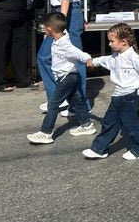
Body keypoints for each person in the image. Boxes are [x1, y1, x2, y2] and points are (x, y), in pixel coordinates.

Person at [83, 23, 139, 161]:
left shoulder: (133, 56)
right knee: (109, 123)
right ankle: (99, 149)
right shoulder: (115, 56)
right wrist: (92, 61)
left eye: (111, 41)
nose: (109, 44)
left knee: (131, 125)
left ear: (124, 42)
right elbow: (104, 60)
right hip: (117, 96)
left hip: (131, 96)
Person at [26, 13, 95, 144]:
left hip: (67, 78)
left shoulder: (65, 45)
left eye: (45, 27)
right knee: (77, 101)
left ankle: (46, 132)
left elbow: (79, 53)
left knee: (53, 104)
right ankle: (86, 125)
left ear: (49, 29)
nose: (44, 30)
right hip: (69, 77)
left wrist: (88, 59)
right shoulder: (57, 40)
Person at [37, 0, 87, 108]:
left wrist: (60, 21)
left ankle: (77, 104)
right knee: (47, 56)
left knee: (73, 59)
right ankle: (60, 98)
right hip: (64, 11)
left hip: (66, 12)